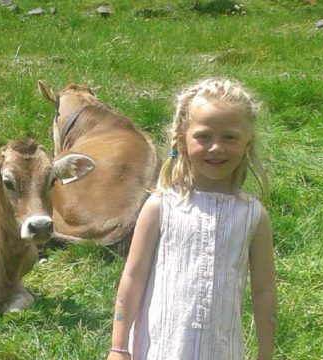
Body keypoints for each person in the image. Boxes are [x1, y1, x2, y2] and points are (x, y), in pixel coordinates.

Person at [107, 78, 277, 360]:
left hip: (222, 351)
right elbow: (133, 278)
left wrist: (266, 354)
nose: (216, 147)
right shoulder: (160, 206)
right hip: (159, 348)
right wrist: (118, 346)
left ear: (248, 141)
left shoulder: (253, 216)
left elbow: (264, 291)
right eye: (204, 136)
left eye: (230, 137)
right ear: (182, 139)